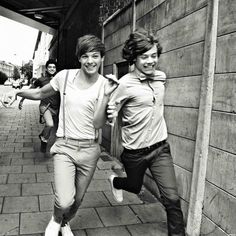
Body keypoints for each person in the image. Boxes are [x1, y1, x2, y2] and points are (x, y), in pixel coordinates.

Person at [2, 34, 118, 236]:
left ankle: (65, 222)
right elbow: (39, 94)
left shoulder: (105, 86)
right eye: (85, 56)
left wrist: (108, 98)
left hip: (90, 150)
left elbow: (98, 124)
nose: (90, 61)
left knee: (78, 200)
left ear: (102, 58)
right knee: (64, 199)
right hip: (65, 146)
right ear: (79, 58)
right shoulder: (64, 77)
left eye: (95, 56)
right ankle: (56, 219)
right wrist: (17, 93)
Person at [96, 29, 186, 236]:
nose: (150, 61)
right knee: (135, 186)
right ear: (134, 58)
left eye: (154, 55)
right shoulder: (124, 84)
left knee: (172, 200)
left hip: (160, 149)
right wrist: (110, 112)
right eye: (144, 56)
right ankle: (116, 181)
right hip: (135, 153)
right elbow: (110, 115)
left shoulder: (161, 78)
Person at [18, 59, 60, 153]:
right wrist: (22, 99)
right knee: (50, 124)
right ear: (46, 68)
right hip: (45, 106)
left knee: (52, 129)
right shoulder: (41, 80)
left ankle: (43, 136)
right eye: (50, 67)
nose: (52, 69)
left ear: (56, 69)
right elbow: (31, 90)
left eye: (54, 67)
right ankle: (44, 140)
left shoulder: (59, 79)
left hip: (56, 107)